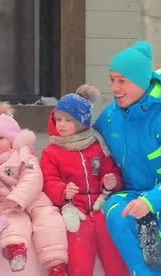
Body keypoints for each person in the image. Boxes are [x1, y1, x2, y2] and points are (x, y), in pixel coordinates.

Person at [93, 41, 161, 276]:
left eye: (121, 80)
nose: (114, 87)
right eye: (111, 79)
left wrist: (152, 201)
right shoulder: (111, 117)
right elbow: (90, 148)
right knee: (116, 212)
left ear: (141, 82)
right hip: (134, 193)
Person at [41, 84, 130, 276]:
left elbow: (111, 170)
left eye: (68, 120)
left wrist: (111, 181)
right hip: (75, 207)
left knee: (111, 238)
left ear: (82, 123)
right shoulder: (52, 152)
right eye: (58, 119)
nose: (61, 124)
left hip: (101, 204)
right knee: (79, 242)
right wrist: (64, 191)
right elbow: (49, 181)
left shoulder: (96, 145)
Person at [0, 101, 68, 276]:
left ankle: (56, 265)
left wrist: (19, 196)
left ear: (12, 139)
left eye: (1, 138)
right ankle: (16, 251)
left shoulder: (23, 156)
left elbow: (32, 178)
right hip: (8, 207)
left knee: (49, 221)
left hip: (35, 201)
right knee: (11, 223)